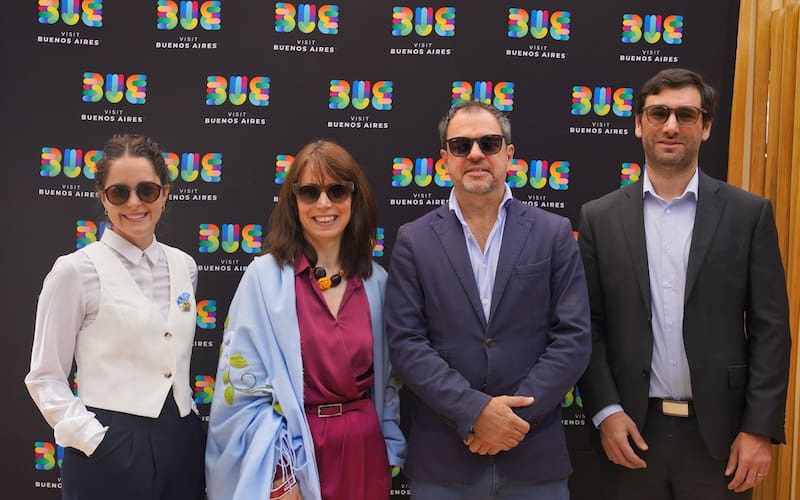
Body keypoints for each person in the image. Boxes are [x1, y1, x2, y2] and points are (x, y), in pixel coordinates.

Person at [577, 68, 791, 499]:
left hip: (723, 441)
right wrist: (605, 411)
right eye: (658, 113)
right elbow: (588, 328)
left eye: (686, 115)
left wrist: (757, 428)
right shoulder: (598, 218)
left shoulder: (748, 215)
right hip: (630, 434)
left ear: (706, 126)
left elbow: (771, 329)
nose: (671, 126)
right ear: (638, 123)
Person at [384, 101, 591, 499]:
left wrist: (512, 422)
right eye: (461, 146)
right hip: (445, 463)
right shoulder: (415, 240)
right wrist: (474, 412)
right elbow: (407, 344)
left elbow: (573, 339)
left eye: (489, 143)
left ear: (509, 155)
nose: (476, 154)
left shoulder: (553, 232)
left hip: (534, 459)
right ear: (445, 160)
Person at [205, 139, 406, 500]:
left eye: (337, 190)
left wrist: (387, 449)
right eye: (310, 192)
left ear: (354, 199)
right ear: (293, 202)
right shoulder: (263, 279)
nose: (324, 203)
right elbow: (241, 391)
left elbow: (389, 387)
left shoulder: (378, 282)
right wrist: (279, 475)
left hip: (364, 454)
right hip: (294, 456)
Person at [25, 134, 206, 500]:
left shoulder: (185, 265)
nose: (134, 202)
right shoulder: (75, 271)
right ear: (103, 198)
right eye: (119, 192)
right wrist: (94, 439)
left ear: (165, 193)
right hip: (108, 448)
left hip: (181, 443)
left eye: (147, 190)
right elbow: (45, 377)